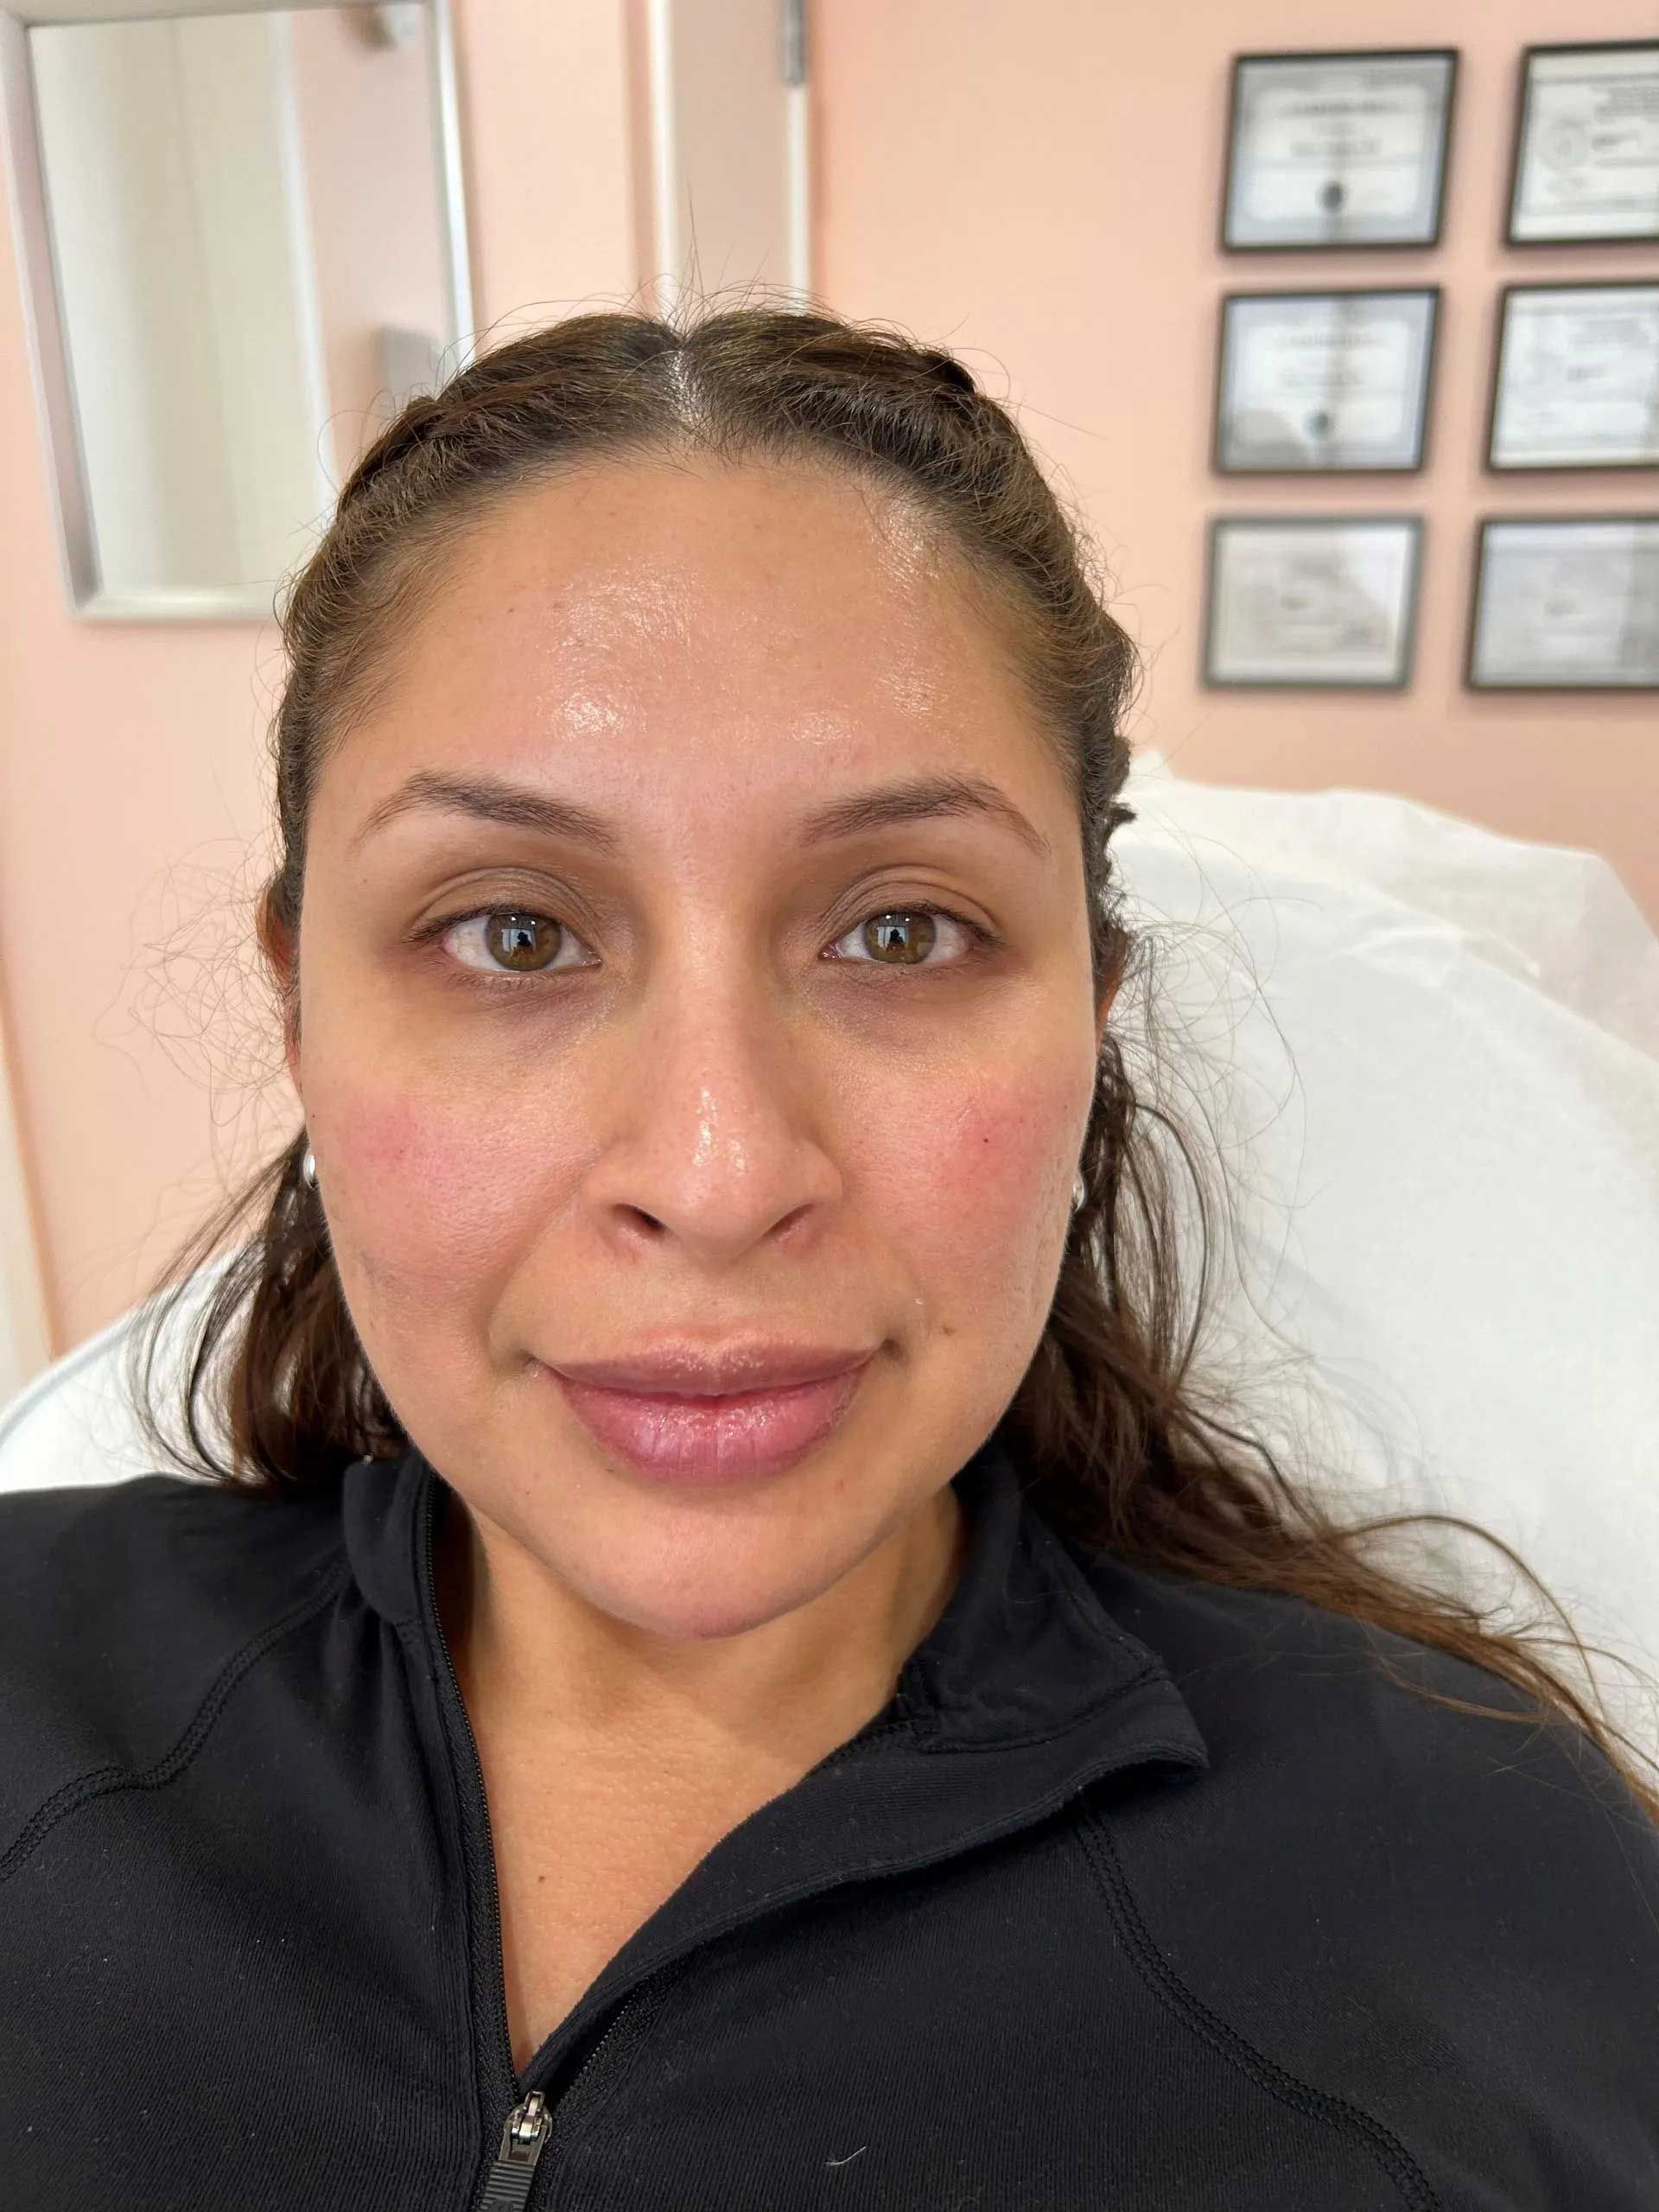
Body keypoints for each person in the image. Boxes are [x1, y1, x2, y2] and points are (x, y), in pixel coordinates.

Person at [3, 300, 1656, 2211]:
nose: (717, 1175)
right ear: (302, 1010)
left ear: (1092, 1009)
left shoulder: (1467, 1887)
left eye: (901, 933)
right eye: (515, 934)